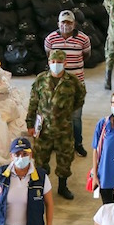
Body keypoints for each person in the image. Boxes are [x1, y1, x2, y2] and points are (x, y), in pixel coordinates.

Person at [25, 49, 85, 201]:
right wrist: (30, 123)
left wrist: (64, 111)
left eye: (59, 62)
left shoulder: (72, 82)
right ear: (49, 62)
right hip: (43, 129)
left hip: (64, 128)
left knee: (65, 158)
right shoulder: (40, 80)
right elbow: (33, 102)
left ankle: (62, 187)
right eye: (53, 62)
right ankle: (42, 187)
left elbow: (79, 99)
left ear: (65, 63)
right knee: (40, 159)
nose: (56, 65)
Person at [44, 10, 91, 157]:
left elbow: (86, 55)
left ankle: (78, 143)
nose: (66, 25)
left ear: (74, 23)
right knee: (55, 115)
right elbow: (49, 56)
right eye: (63, 22)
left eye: (69, 22)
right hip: (56, 86)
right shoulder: (50, 39)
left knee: (76, 117)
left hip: (77, 85)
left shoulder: (83, 39)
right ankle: (55, 143)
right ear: (58, 24)